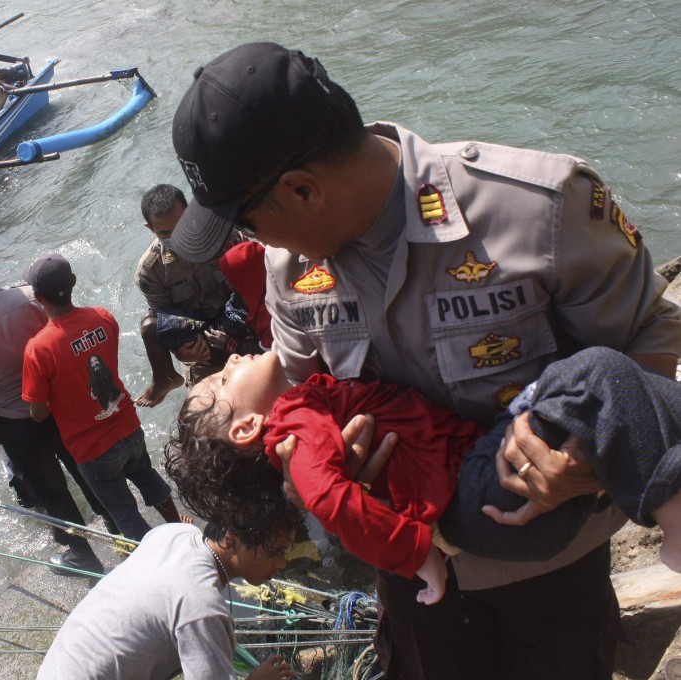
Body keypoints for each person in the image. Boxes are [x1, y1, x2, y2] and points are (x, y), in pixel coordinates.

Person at [168, 42, 681, 679]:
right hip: (410, 575)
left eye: (246, 224)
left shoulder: (540, 206)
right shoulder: (290, 271)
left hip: (549, 564)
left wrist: (588, 462)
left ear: (301, 190)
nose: (256, 243)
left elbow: (649, 333)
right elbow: (305, 393)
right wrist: (316, 471)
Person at [169, 347, 681, 605]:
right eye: (223, 377)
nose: (232, 357)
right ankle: (672, 513)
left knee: (632, 388)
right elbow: (325, 496)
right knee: (595, 370)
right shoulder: (293, 421)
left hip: (493, 493)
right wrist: (415, 553)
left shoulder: (298, 413)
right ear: (247, 429)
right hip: (481, 495)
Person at [0, 236, 112, 574]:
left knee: (51, 490)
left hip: (14, 422)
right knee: (87, 467)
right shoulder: (31, 298)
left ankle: (82, 555)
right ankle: (120, 524)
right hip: (59, 405)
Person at [22, 253, 184, 541]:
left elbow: (37, 412)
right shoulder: (102, 317)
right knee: (148, 478)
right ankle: (181, 531)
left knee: (124, 514)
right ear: (73, 282)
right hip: (128, 425)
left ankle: (152, 561)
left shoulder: (39, 348)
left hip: (92, 448)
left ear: (37, 297)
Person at [37, 508, 303, 680]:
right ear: (230, 540)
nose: (281, 564)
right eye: (275, 551)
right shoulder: (200, 607)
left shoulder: (176, 532)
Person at [133, 185, 242, 407]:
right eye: (165, 233)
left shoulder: (220, 234)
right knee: (204, 417)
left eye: (181, 226)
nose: (176, 236)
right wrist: (184, 350)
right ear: (150, 228)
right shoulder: (151, 271)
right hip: (202, 342)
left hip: (244, 321)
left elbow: (255, 278)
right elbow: (168, 321)